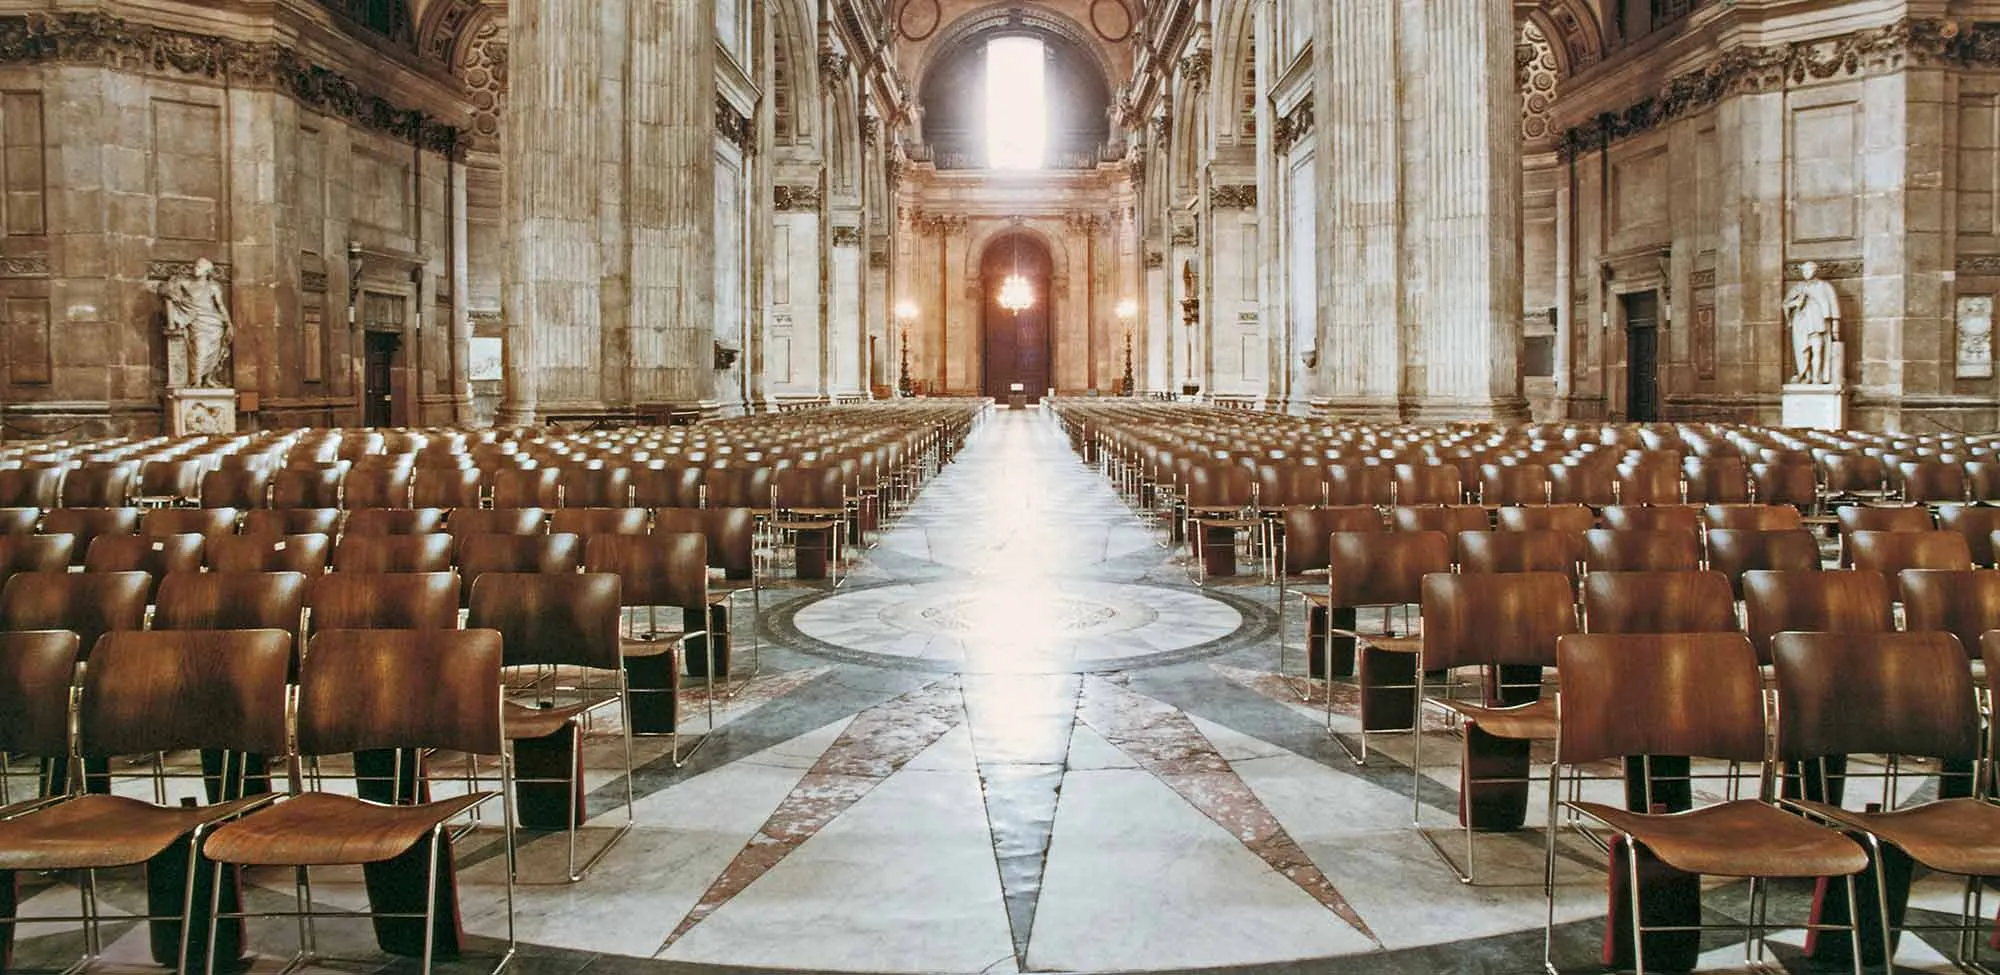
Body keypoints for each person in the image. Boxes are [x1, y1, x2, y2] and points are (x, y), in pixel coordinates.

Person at [164, 258, 233, 388]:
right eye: (195, 266)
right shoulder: (185, 283)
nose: (196, 268)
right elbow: (166, 291)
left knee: (214, 353)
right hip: (197, 321)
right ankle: (196, 381)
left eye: (200, 267)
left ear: (207, 271)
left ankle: (208, 378)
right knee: (200, 351)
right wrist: (172, 293)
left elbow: (220, 306)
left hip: (214, 322)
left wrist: (229, 323)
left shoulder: (213, 287)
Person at [1784, 261, 1840, 384]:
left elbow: (1834, 305)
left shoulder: (1825, 286)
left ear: (1815, 271)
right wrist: (1795, 303)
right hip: (1802, 322)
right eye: (1804, 270)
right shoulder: (1798, 287)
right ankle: (1806, 375)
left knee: (1817, 349)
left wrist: (1836, 326)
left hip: (1818, 322)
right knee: (1804, 352)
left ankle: (1816, 377)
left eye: (1808, 270)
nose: (1806, 273)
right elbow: (1785, 304)